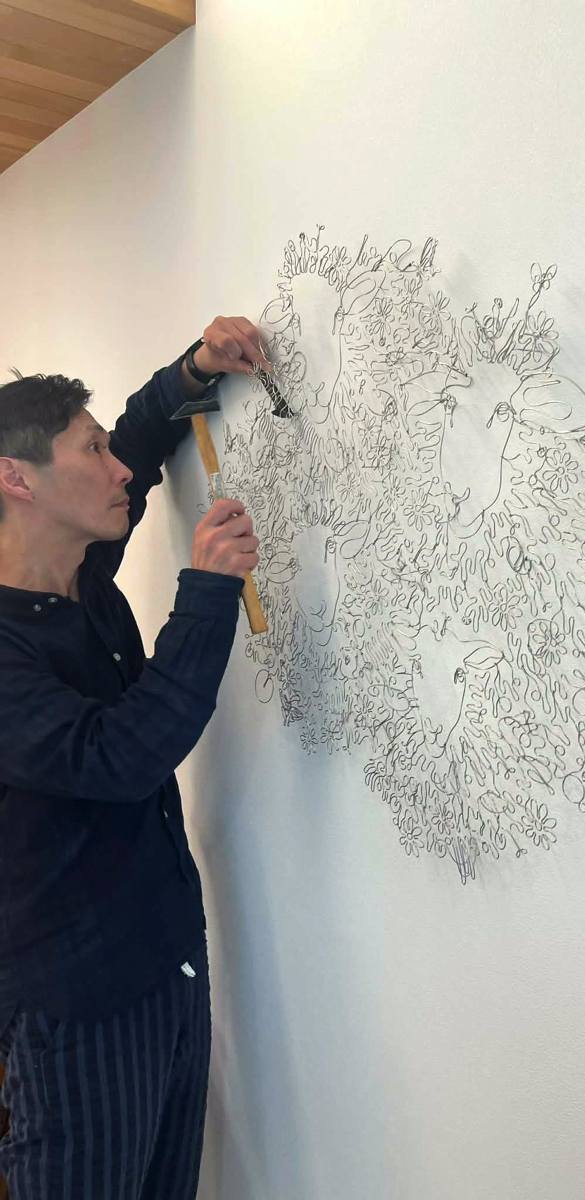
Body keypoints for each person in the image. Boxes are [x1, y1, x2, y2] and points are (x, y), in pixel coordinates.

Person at [0, 317, 270, 1199]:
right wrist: (208, 592)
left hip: (168, 967)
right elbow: (118, 757)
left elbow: (141, 448)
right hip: (76, 1011)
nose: (115, 468)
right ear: (16, 479)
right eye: (90, 451)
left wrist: (196, 369)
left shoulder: (78, 572)